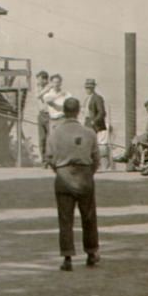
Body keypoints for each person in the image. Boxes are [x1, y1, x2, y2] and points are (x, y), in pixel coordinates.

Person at [45, 97, 101, 271]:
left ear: (64, 111)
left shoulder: (54, 133)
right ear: (78, 111)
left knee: (65, 218)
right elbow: (96, 159)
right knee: (89, 216)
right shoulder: (89, 132)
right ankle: (91, 253)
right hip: (84, 175)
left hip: (63, 175)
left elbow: (49, 158)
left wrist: (61, 171)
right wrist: (88, 173)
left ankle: (67, 257)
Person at [83, 78, 111, 170]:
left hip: (93, 124)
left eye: (90, 87)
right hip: (87, 122)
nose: (88, 89)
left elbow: (102, 112)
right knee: (88, 144)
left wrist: (94, 121)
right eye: (86, 87)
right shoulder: (87, 98)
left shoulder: (97, 98)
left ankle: (95, 164)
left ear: (93, 87)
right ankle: (91, 163)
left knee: (92, 144)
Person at [35, 70, 51, 162]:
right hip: (40, 115)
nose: (38, 82)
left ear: (45, 80)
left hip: (48, 115)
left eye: (39, 79)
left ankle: (49, 159)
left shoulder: (50, 88)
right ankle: (43, 159)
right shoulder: (39, 88)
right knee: (41, 138)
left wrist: (47, 88)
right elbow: (37, 95)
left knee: (49, 138)